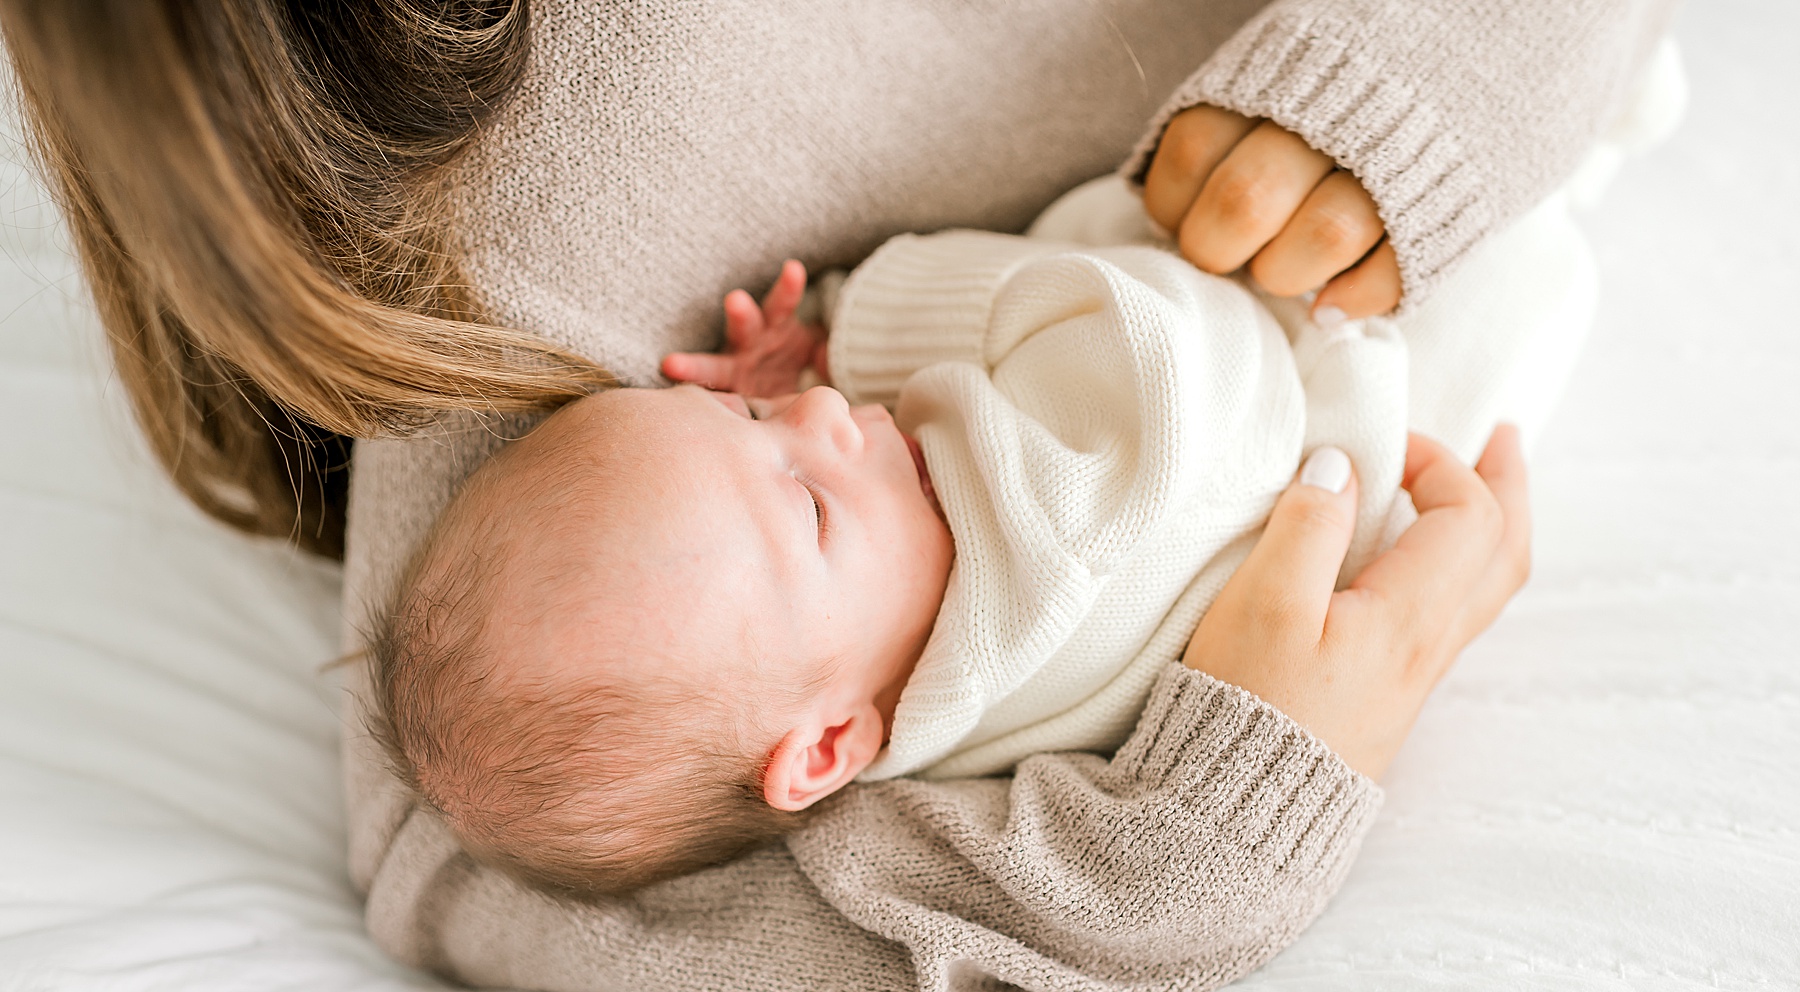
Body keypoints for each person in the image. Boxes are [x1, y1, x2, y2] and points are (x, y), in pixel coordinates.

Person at [0, 0, 1671, 992]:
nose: (797, 408)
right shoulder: (540, 189)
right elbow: (468, 848)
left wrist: (1424, 87)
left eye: (747, 414)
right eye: (786, 474)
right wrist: (1195, 830)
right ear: (823, 744)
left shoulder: (779, 474)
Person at [368, 166, 1591, 896]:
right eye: (802, 497)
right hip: (1401, 347)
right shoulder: (1053, 527)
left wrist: (807, 415)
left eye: (749, 409)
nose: (830, 411)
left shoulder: (904, 726)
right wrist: (881, 323)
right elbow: (1170, 336)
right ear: (824, 745)